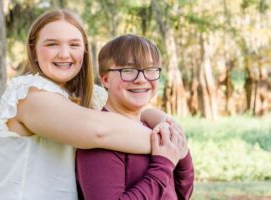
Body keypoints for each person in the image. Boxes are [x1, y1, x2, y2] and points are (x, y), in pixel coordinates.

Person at [0, 10, 186, 200]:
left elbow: (133, 116)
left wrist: (159, 118)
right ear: (33, 49)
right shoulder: (28, 93)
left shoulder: (92, 97)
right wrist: (171, 145)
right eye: (52, 44)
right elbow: (99, 131)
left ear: (84, 49)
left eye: (74, 44)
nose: (64, 54)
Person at [76, 34, 194, 200]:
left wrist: (182, 153)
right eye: (128, 71)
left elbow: (182, 194)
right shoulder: (99, 138)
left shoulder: (150, 127)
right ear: (105, 79)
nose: (141, 79)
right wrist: (163, 165)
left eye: (150, 70)